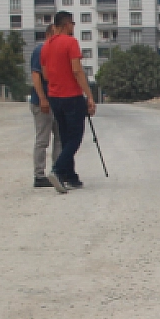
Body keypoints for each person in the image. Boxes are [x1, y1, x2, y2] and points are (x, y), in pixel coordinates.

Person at [40, 11, 95, 191]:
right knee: (75, 137)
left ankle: (70, 176)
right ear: (66, 25)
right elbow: (77, 71)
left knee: (64, 137)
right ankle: (57, 169)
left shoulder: (46, 46)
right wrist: (90, 95)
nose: (73, 27)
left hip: (55, 96)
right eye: (72, 23)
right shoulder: (71, 42)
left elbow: (46, 74)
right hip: (71, 95)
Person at [29, 22, 64, 191]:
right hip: (42, 102)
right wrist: (42, 98)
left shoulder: (55, 52)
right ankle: (39, 175)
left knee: (60, 138)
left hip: (56, 101)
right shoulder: (40, 50)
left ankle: (56, 171)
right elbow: (35, 76)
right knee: (43, 139)